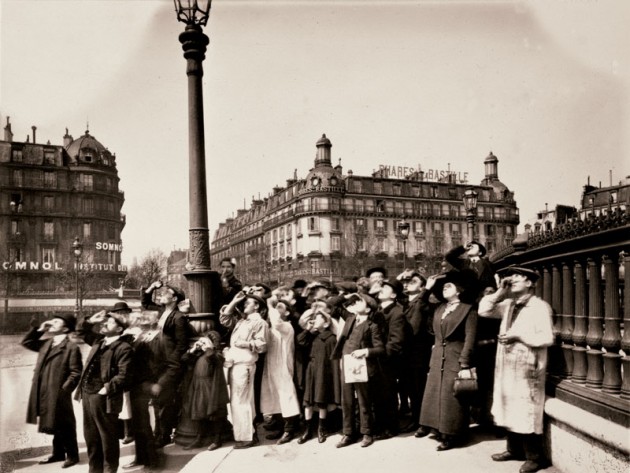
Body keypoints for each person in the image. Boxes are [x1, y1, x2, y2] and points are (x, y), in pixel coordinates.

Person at [478, 266, 554, 473]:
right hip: (508, 365)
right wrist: (500, 292)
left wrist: (519, 337)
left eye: (519, 277)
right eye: (510, 278)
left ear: (530, 283)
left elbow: (547, 338)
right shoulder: (509, 304)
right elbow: (484, 309)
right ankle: (513, 449)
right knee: (508, 405)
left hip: (527, 367)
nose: (513, 280)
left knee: (527, 410)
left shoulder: (539, 307)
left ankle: (535, 457)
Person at [417, 270, 478, 451]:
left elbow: (470, 338)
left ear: (459, 290)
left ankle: (452, 434)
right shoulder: (440, 308)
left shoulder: (468, 309)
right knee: (436, 394)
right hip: (437, 358)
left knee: (452, 398)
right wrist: (426, 290)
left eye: (449, 286)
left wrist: (464, 362)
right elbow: (420, 306)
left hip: (455, 357)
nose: (444, 288)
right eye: (443, 286)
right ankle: (437, 428)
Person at [76, 311, 133, 473]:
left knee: (107, 438)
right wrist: (90, 320)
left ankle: (109, 470)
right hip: (87, 394)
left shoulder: (124, 347)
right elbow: (81, 331)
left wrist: (106, 389)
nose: (105, 323)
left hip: (105, 398)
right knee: (91, 437)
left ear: (120, 329)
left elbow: (124, 375)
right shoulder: (99, 341)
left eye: (110, 322)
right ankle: (94, 470)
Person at [22, 314, 82, 469]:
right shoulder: (48, 342)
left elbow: (76, 373)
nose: (52, 323)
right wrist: (38, 329)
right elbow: (27, 342)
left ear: (66, 328)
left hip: (59, 392)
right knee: (54, 421)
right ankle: (58, 453)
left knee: (65, 423)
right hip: (44, 389)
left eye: (57, 321)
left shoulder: (71, 347)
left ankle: (73, 455)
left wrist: (64, 391)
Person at [141, 281, 192, 448]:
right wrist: (151, 288)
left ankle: (164, 435)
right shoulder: (161, 311)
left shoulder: (178, 318)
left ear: (175, 298)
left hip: (169, 366)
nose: (162, 294)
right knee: (157, 401)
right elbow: (146, 303)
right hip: (156, 363)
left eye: (166, 293)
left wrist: (172, 364)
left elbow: (181, 345)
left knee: (164, 400)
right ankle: (159, 433)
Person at [331, 293, 385, 448]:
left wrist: (366, 351)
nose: (354, 303)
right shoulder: (350, 319)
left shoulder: (372, 326)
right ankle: (348, 433)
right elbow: (334, 304)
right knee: (346, 400)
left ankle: (367, 432)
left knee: (364, 400)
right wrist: (347, 294)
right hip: (346, 364)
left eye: (359, 301)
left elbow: (380, 349)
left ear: (368, 307)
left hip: (363, 366)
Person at [220, 292, 268, 449]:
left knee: (241, 402)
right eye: (245, 302)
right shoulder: (242, 320)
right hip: (237, 364)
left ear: (257, 306)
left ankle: (246, 437)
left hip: (244, 365)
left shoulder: (259, 322)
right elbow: (225, 319)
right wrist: (234, 300)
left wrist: (245, 344)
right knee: (242, 401)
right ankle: (248, 434)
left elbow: (262, 346)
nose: (245, 304)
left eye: (249, 302)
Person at [120, 311, 160, 471]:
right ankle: (141, 458)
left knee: (143, 424)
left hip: (142, 386)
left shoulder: (145, 340)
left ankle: (152, 460)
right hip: (134, 386)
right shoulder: (135, 338)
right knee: (137, 424)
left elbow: (152, 364)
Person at [259, 296, 301, 444]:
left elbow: (276, 323)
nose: (276, 309)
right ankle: (280, 426)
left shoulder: (287, 327)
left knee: (285, 394)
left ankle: (290, 430)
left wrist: (270, 305)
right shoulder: (271, 328)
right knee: (273, 394)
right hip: (271, 364)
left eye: (280, 307)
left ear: (287, 313)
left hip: (282, 365)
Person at [296, 308, 340, 444]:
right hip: (312, 371)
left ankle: (322, 428)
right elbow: (300, 341)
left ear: (326, 324)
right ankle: (308, 430)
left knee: (322, 401)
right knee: (308, 402)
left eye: (318, 318)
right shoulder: (311, 336)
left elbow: (333, 361)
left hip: (323, 373)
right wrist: (308, 329)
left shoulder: (331, 339)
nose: (314, 320)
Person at [398, 270, 434, 433]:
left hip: (418, 351)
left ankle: (422, 422)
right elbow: (393, 290)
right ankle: (416, 419)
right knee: (409, 387)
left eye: (412, 282)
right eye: (406, 282)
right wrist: (398, 279)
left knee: (418, 388)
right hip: (406, 352)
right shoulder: (405, 301)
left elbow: (416, 327)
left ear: (422, 287)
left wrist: (427, 290)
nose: (407, 284)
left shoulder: (423, 301)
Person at [181, 331, 229, 451]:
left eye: (204, 342)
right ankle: (199, 439)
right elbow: (184, 359)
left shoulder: (216, 355)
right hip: (198, 386)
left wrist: (208, 347)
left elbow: (212, 358)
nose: (201, 344)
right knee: (199, 412)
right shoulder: (199, 355)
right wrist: (193, 349)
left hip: (210, 387)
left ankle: (217, 440)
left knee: (214, 413)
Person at [373, 279, 406, 440]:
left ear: (393, 295)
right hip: (377, 358)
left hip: (387, 361)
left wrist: (382, 355)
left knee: (388, 394)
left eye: (385, 288)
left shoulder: (397, 312)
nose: (380, 289)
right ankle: (380, 426)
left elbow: (396, 341)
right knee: (378, 394)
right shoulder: (378, 310)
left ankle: (390, 428)